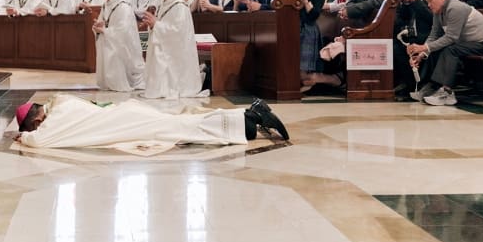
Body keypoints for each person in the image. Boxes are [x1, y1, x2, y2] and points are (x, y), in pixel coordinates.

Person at [14, 95, 289, 148]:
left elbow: (40, 140)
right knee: (184, 124)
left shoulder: (56, 118)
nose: (36, 129)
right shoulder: (62, 102)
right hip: (129, 115)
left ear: (37, 117)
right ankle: (247, 115)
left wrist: (24, 137)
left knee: (185, 127)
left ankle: (249, 117)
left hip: (130, 122)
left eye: (33, 125)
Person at [406, 0, 483, 106]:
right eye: (427, 2)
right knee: (437, 48)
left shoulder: (456, 8)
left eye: (431, 1)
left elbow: (451, 38)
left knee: (450, 49)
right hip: (466, 44)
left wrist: (424, 47)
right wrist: (422, 53)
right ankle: (431, 88)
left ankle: (447, 92)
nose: (429, 5)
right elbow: (434, 35)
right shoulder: (439, 11)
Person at [141, 0, 205, 99]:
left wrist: (156, 24)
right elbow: (162, 24)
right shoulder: (162, 4)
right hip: (164, 45)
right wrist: (152, 25)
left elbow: (178, 31)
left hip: (176, 51)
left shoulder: (180, 6)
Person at [92, 0, 145, 92]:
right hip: (110, 40)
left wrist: (105, 30)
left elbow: (123, 30)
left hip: (123, 46)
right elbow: (103, 22)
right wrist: (98, 26)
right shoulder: (106, 4)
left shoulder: (123, 5)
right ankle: (108, 82)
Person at [393, 0, 435, 98]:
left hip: (428, 34)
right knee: (395, 47)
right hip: (411, 33)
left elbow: (432, 18)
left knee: (405, 48)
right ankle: (408, 83)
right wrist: (406, 2)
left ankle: (415, 85)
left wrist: (415, 1)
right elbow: (406, 17)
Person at [284, 0, 325, 83]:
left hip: (307, 28)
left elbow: (313, 15)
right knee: (291, 65)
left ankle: (317, 82)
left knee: (304, 69)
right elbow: (283, 8)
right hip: (293, 27)